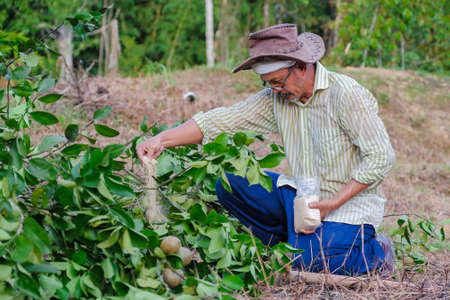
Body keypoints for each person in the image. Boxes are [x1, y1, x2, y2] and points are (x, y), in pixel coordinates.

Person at [137, 24, 396, 276]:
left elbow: (381, 157)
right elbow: (222, 121)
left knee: (312, 261)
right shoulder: (278, 97)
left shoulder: (345, 95)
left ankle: (377, 252)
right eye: (267, 84)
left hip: (347, 205)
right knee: (229, 182)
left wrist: (333, 203)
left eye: (276, 82)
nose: (274, 90)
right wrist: (161, 139)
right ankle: (294, 243)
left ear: (302, 67)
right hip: (302, 196)